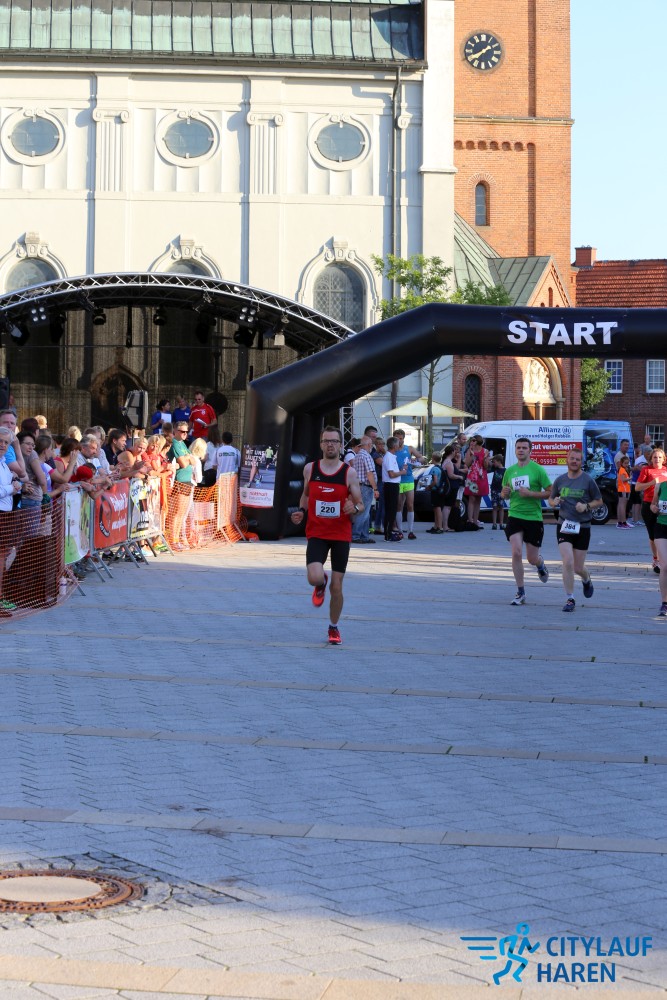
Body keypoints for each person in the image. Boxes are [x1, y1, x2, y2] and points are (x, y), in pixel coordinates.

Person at [290, 426, 362, 645]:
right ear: (321, 444)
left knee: (337, 587)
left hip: (340, 534)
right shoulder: (310, 469)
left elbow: (360, 503)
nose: (330, 444)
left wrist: (354, 508)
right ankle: (321, 584)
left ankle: (333, 627)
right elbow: (305, 495)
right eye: (326, 441)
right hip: (317, 532)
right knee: (314, 577)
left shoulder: (348, 473)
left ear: (340, 445)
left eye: (334, 441)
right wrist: (301, 511)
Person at [548, 447, 602, 613]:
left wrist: (586, 506)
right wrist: (554, 502)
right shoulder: (560, 480)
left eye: (578, 459)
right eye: (572, 458)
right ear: (567, 459)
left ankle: (586, 579)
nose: (574, 461)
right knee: (568, 561)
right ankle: (570, 598)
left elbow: (599, 501)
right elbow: (551, 499)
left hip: (583, 526)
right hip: (564, 525)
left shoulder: (588, 480)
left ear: (581, 462)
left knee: (578, 567)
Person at [501, 438, 552, 605]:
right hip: (515, 515)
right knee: (516, 552)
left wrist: (531, 494)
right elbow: (504, 494)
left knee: (531, 558)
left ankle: (540, 564)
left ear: (530, 450)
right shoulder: (510, 471)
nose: (521, 450)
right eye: (518, 448)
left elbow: (550, 492)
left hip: (533, 518)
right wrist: (505, 493)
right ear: (515, 450)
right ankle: (520, 592)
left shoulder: (538, 470)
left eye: (524, 448)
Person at [0, 427, 23, 615]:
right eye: (0, 441)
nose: (2, 445)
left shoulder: (4, 464)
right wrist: (11, 488)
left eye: (6, 442)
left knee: (3, 557)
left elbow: (18, 480)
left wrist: (16, 484)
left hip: (6, 514)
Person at [634, 448, 667, 574]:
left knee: (663, 534)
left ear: (663, 459)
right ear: (651, 459)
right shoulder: (646, 470)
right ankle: (656, 559)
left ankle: (663, 559)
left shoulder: (666, 470)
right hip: (649, 505)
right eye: (655, 457)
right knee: (653, 536)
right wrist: (652, 482)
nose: (657, 459)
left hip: (663, 505)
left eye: (659, 457)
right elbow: (637, 487)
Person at [394, 428, 423, 540]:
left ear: (403, 439)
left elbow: (421, 458)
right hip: (397, 480)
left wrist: (416, 460)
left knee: (410, 505)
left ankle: (410, 531)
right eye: (397, 438)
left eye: (400, 438)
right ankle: (400, 531)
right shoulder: (392, 450)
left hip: (409, 479)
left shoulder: (409, 448)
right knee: (399, 505)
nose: (399, 441)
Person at [382, 436, 407, 541]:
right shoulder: (389, 457)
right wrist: (402, 472)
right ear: (394, 446)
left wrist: (401, 470)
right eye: (397, 443)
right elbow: (391, 474)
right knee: (391, 510)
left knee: (392, 509)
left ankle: (389, 532)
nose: (399, 445)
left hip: (393, 485)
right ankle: (388, 533)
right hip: (390, 485)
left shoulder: (391, 456)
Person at [650, 478, 667, 619]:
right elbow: (652, 504)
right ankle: (664, 603)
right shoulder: (661, 486)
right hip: (661, 527)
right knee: (665, 566)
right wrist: (654, 508)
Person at [464, 434, 490, 528]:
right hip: (472, 477)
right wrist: (471, 455)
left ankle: (475, 522)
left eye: (473, 440)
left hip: (481, 477)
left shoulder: (485, 451)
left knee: (478, 499)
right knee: (472, 498)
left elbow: (486, 467)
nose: (471, 442)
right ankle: (470, 521)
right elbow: (467, 464)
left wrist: (486, 459)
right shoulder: (469, 450)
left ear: (478, 441)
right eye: (471, 440)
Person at [490, 453, 506, 530]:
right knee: (494, 507)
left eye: (495, 462)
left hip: (501, 490)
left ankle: (501, 523)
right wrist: (493, 457)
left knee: (501, 507)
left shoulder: (505, 470)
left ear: (499, 461)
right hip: (494, 490)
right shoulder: (494, 468)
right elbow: (489, 461)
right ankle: (494, 524)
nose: (493, 463)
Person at [616, 455, 632, 529]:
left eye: (627, 463)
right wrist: (630, 478)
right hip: (623, 489)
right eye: (625, 463)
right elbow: (623, 479)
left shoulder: (623, 469)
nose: (627, 464)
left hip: (623, 489)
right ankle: (623, 522)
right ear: (622, 463)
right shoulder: (622, 469)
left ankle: (620, 522)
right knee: (623, 506)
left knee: (621, 505)